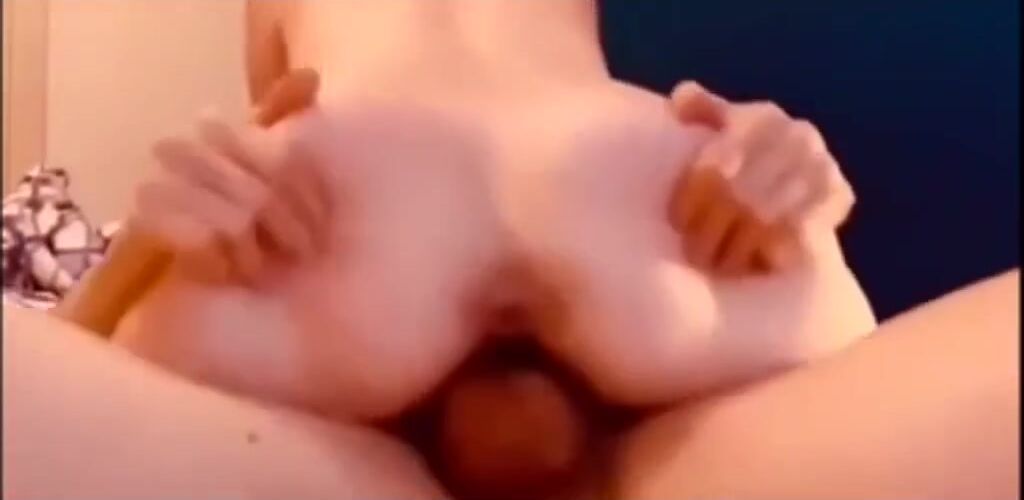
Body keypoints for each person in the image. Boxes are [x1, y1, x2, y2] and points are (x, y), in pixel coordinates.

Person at [6, 1, 1017, 499]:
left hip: (351, 207)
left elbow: (284, 93)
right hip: (630, 193)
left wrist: (129, 277)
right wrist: (795, 194)